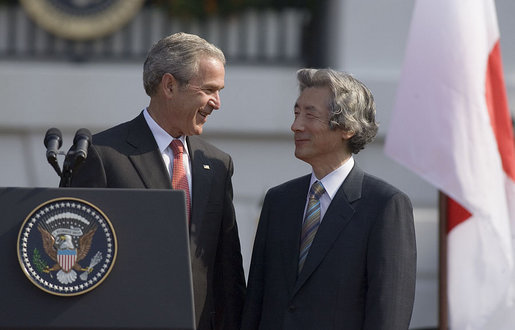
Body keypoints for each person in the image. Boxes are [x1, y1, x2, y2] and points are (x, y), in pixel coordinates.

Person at [66, 32, 246, 330]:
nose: (217, 103)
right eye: (209, 90)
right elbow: (80, 260)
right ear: (170, 86)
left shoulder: (217, 164)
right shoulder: (101, 155)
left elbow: (227, 270)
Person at [241, 68, 416, 329]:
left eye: (310, 114)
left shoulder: (385, 206)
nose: (296, 125)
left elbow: (388, 314)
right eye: (296, 113)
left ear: (346, 127)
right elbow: (255, 303)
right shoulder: (278, 201)